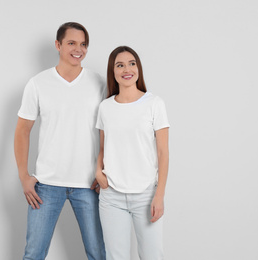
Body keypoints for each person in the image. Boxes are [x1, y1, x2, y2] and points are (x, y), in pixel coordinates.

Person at [14, 22, 106, 260]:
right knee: (33, 254)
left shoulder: (98, 83)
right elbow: (22, 131)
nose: (79, 49)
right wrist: (24, 175)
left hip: (88, 185)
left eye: (83, 44)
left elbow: (108, 131)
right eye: (71, 43)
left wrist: (101, 169)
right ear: (58, 45)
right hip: (45, 184)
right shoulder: (38, 83)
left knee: (98, 253)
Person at [94, 46, 170, 260]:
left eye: (131, 63)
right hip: (111, 196)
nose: (127, 69)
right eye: (120, 65)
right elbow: (102, 148)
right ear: (113, 71)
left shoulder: (154, 104)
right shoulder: (105, 107)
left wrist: (159, 195)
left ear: (138, 68)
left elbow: (163, 153)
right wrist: (97, 171)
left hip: (146, 194)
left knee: (152, 256)